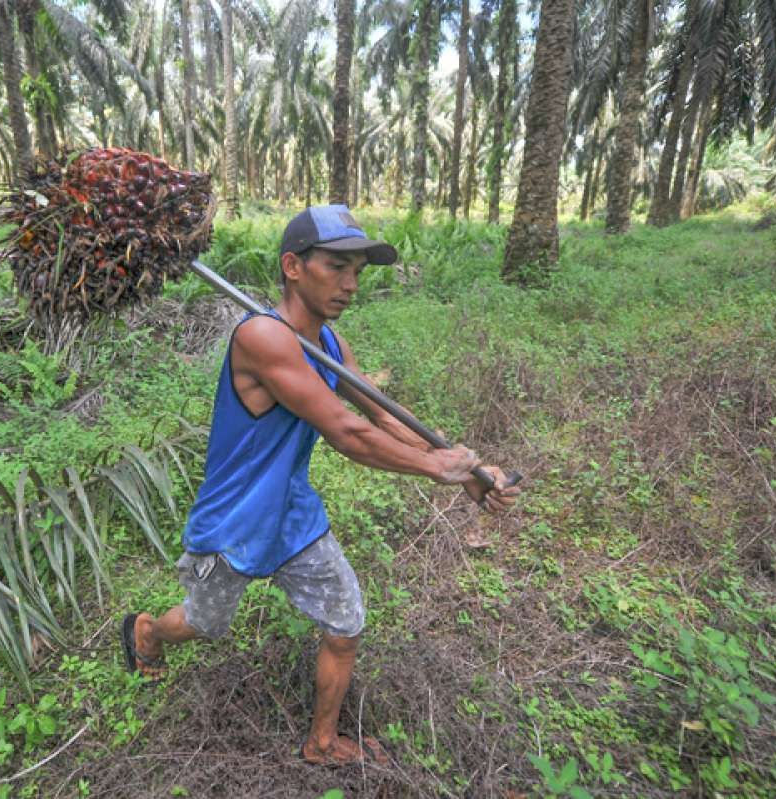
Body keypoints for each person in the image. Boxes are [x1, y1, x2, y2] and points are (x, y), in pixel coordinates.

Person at [121, 205, 520, 766]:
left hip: (292, 513)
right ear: (293, 266)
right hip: (235, 518)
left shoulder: (328, 342)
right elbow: (346, 431)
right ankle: (147, 632)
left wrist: (465, 471)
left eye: (358, 271)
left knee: (345, 622)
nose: (351, 284)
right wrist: (437, 469)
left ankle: (322, 743)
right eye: (336, 267)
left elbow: (381, 414)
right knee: (202, 623)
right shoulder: (262, 337)